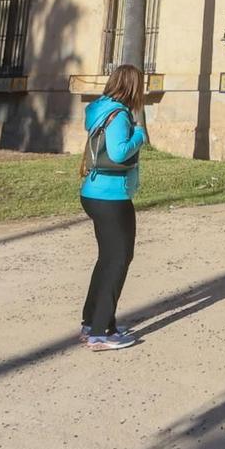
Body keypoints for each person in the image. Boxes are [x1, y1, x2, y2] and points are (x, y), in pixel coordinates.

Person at [79, 63, 148, 351]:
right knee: (119, 259)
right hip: (111, 195)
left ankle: (91, 322)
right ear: (133, 87)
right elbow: (119, 152)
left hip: (93, 192)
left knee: (107, 258)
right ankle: (101, 332)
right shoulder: (119, 114)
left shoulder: (100, 109)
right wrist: (140, 135)